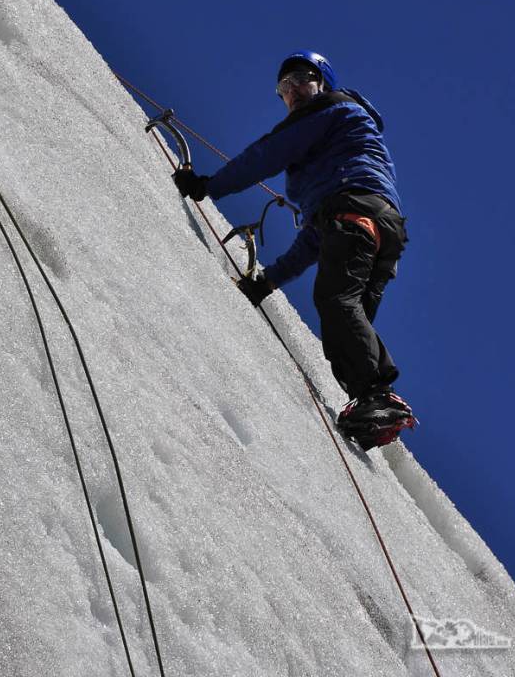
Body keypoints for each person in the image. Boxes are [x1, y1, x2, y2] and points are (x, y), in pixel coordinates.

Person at [173, 50, 415, 448]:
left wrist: (208, 187)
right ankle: (371, 403)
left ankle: (377, 395)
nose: (293, 91)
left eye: (302, 79)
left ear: (323, 83)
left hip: (356, 212)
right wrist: (267, 282)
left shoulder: (331, 110)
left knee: (336, 301)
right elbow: (316, 238)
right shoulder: (337, 150)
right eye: (284, 87)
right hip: (375, 224)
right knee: (346, 321)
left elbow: (267, 154)